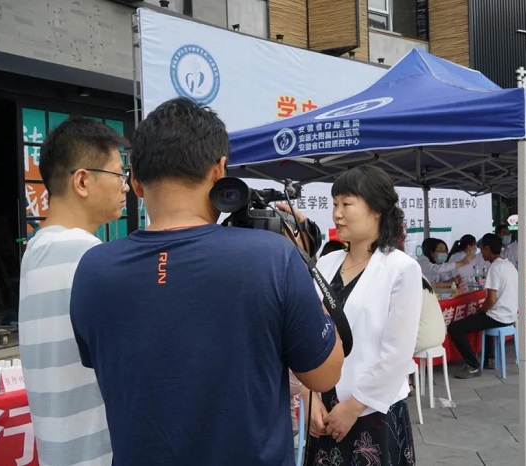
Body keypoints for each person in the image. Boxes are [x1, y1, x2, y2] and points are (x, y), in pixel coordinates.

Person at [70, 97, 344, 465]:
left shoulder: (93, 270)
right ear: (219, 170)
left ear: (135, 182)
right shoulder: (272, 258)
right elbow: (325, 375)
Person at [18, 118, 130, 466]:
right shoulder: (86, 255)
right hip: (97, 454)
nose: (126, 186)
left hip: (59, 450)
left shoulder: (36, 250)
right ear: (82, 181)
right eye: (118, 174)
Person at [303, 165, 422, 466]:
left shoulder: (401, 268)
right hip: (323, 408)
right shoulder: (326, 264)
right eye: (334, 204)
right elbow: (305, 336)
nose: (337, 214)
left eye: (347, 204)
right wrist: (309, 397)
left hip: (372, 409)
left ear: (377, 210)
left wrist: (353, 407)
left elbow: (397, 354)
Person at [447, 233, 518, 379]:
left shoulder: (495, 267)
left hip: (498, 316)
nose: (480, 253)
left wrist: (480, 311)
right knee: (482, 319)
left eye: (481, 250)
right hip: (510, 315)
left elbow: (491, 300)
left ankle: (473, 365)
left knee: (455, 328)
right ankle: (488, 358)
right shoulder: (509, 265)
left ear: (486, 249)